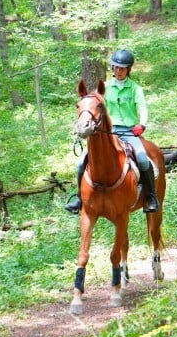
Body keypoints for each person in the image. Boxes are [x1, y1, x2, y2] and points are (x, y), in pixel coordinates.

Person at [64, 49, 160, 214]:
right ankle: (79, 198)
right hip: (108, 132)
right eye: (115, 67)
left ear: (128, 69)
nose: (118, 71)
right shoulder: (105, 88)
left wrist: (142, 124)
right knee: (81, 161)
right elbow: (94, 107)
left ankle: (150, 196)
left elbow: (142, 107)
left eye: (121, 68)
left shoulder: (135, 89)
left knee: (143, 159)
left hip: (129, 132)